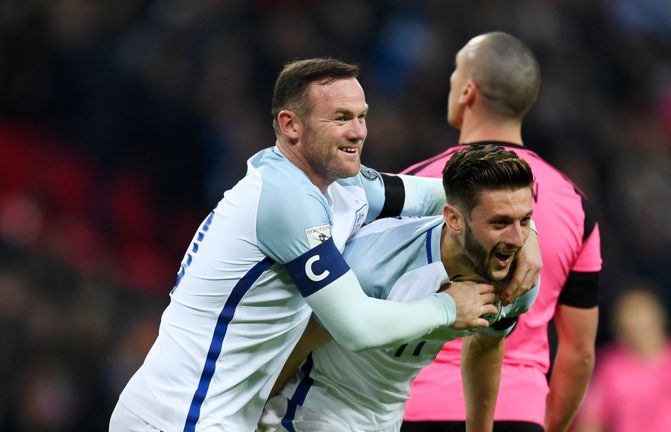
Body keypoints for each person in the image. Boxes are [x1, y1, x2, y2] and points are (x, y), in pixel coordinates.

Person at [109, 58, 505, 432]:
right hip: (178, 417)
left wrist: (523, 232)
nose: (358, 131)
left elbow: (453, 194)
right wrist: (449, 306)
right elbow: (357, 326)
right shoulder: (286, 200)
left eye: (362, 116)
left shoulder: (344, 184)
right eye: (340, 118)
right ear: (291, 125)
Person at [259, 144, 541, 432]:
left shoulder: (518, 278)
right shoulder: (372, 265)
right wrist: (250, 417)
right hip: (312, 409)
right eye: (500, 223)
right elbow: (294, 345)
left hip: (389, 419)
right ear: (454, 219)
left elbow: (486, 344)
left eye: (525, 221)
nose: (518, 239)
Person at [401, 32, 603, 432]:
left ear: (468, 92)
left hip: (413, 408)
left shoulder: (413, 185)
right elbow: (579, 353)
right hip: (517, 410)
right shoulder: (575, 205)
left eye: (455, 74)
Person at [573, 286, 671, 432]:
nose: (636, 320)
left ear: (660, 315)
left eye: (640, 311)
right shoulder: (608, 366)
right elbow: (590, 420)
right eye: (629, 312)